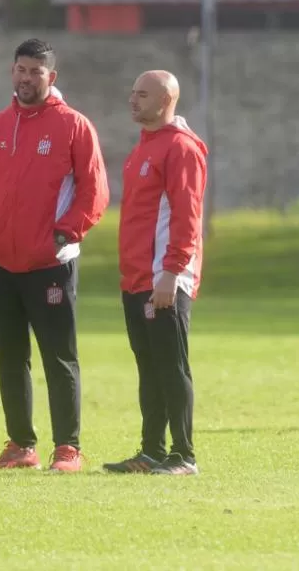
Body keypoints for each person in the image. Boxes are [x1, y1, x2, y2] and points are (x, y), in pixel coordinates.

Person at [0, 38, 110, 473]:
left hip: (51, 264)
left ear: (52, 77)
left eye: (36, 72)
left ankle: (68, 448)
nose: (27, 78)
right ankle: (21, 445)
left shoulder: (74, 126)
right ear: (12, 72)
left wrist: (65, 232)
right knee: (9, 356)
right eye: (21, 70)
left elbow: (95, 190)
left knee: (58, 355)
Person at [103, 70, 208, 476]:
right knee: (148, 366)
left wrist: (172, 271)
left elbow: (187, 214)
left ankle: (184, 456)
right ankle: (151, 452)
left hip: (163, 278)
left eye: (142, 94)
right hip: (136, 278)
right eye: (132, 92)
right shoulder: (144, 147)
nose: (132, 100)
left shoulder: (181, 148)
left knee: (172, 365)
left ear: (165, 100)